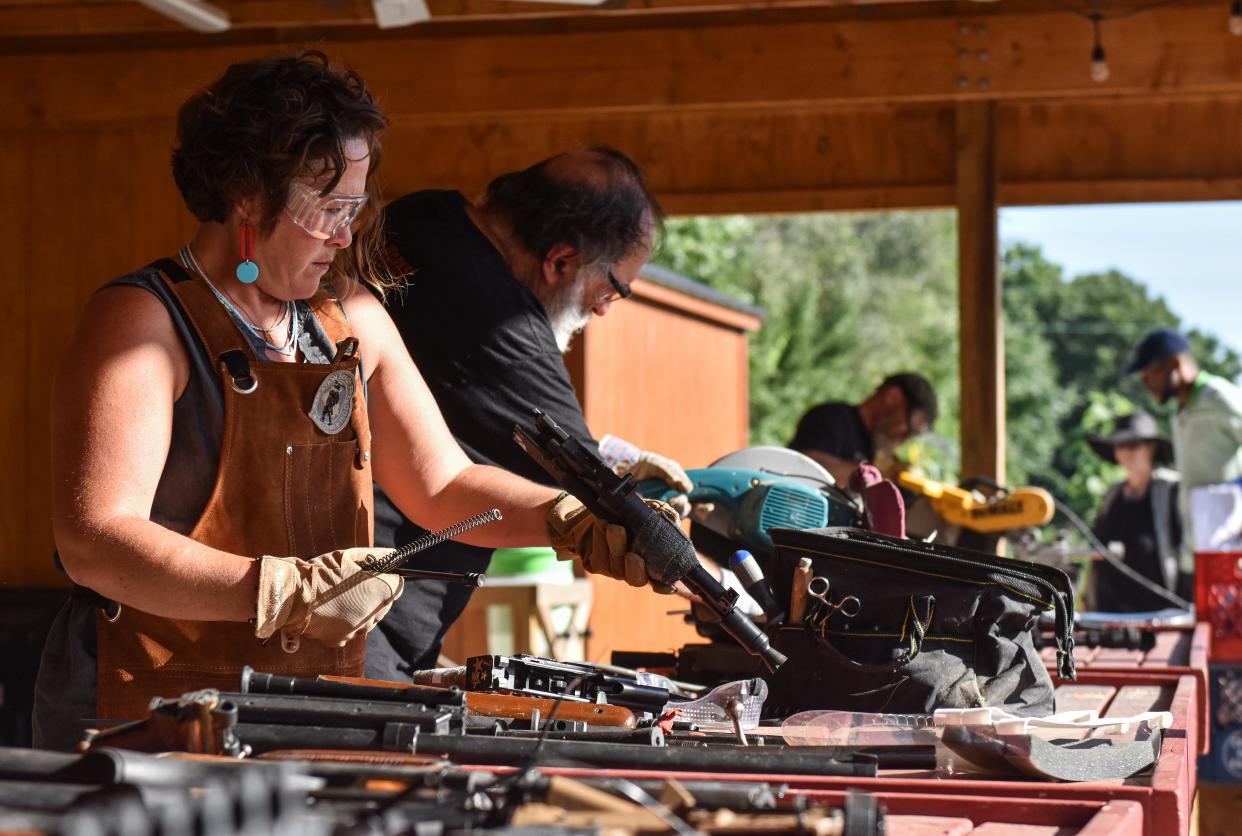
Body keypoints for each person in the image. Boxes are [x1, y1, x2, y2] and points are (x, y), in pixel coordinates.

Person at [32, 53, 671, 750]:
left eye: (354, 208)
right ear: (249, 197)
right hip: (148, 711)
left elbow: (443, 485)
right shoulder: (143, 321)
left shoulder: (349, 317)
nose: (344, 235)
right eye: (327, 208)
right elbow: (94, 539)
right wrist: (278, 591)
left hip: (306, 709)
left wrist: (566, 517)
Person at [367, 148, 692, 680]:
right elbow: (603, 502)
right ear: (561, 260)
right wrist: (722, 594)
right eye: (614, 287)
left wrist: (613, 455)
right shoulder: (502, 321)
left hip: (345, 592)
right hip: (369, 619)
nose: (607, 307)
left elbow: (468, 402)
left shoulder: (422, 216)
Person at [1129, 327, 1242, 556]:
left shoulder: (1219, 398)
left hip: (1231, 549)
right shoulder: (1181, 412)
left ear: (1174, 363)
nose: (1146, 384)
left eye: (1149, 374)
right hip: (1199, 547)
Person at [1087, 411, 1184, 611]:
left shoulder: (1172, 490)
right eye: (1120, 445)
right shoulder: (1112, 495)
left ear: (1151, 447)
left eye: (1133, 445)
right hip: (1109, 614)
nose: (1126, 452)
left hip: (1159, 614)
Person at [789, 372, 938, 487]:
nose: (906, 436)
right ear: (893, 397)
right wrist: (875, 472)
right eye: (911, 425)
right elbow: (805, 472)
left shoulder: (883, 455)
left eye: (915, 434)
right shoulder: (833, 418)